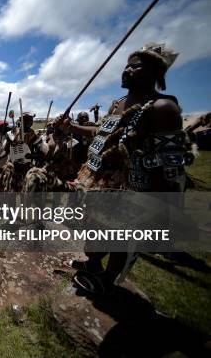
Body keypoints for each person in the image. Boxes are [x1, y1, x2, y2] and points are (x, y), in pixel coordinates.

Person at [55, 43, 193, 295]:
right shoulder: (118, 104)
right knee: (95, 228)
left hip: (134, 185)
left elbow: (173, 163)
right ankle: (93, 264)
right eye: (126, 65)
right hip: (100, 181)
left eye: (135, 66)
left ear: (154, 72)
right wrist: (71, 126)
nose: (127, 70)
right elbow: (102, 132)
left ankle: (108, 279)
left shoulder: (163, 108)